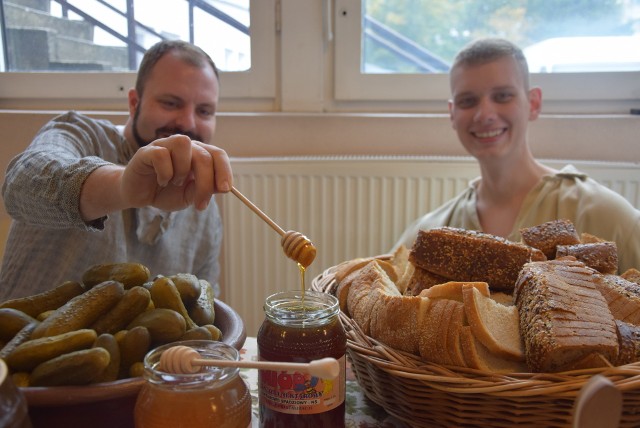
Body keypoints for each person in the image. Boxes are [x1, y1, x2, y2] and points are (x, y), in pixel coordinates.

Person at [0, 40, 233, 300]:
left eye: (204, 111)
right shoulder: (80, 133)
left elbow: (206, 302)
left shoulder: (203, 205)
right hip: (26, 338)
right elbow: (20, 185)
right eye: (170, 103)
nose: (187, 123)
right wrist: (122, 186)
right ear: (134, 103)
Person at [394, 38, 640, 273]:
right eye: (468, 101)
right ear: (452, 114)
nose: (485, 114)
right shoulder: (431, 230)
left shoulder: (601, 213)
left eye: (502, 96)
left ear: (533, 103)